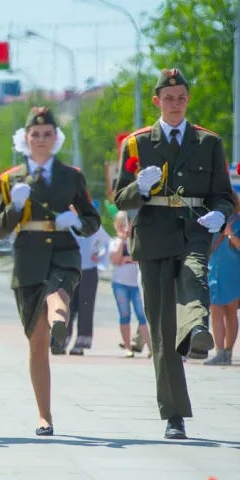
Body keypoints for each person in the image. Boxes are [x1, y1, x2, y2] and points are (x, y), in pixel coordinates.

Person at [113, 68, 236, 439]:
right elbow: (120, 197)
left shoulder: (208, 142)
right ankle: (174, 415)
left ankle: (198, 330)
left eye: (182, 97)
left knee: (195, 274)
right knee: (163, 331)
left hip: (193, 232)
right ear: (157, 102)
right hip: (151, 238)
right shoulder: (136, 144)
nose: (176, 104)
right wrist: (140, 187)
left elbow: (222, 194)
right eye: (169, 98)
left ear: (188, 100)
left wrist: (222, 213)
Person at [0, 107, 101, 436]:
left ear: (56, 138)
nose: (41, 139)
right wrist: (13, 207)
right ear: (26, 139)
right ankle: (45, 416)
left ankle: (60, 319)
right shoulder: (11, 178)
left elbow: (92, 219)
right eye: (35, 134)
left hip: (63, 253)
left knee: (59, 291)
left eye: (47, 133)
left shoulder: (72, 176)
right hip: (28, 258)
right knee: (37, 344)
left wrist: (77, 222)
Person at [57, 225, 110, 355]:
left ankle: (81, 343)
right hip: (68, 270)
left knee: (85, 307)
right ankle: (61, 341)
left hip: (88, 271)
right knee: (65, 306)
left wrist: (101, 257)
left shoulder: (92, 224)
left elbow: (107, 242)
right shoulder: (66, 223)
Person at [109, 211, 152, 358]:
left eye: (125, 226)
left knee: (142, 315)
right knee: (124, 314)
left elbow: (140, 258)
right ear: (115, 226)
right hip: (120, 283)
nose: (123, 229)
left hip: (137, 284)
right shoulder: (114, 241)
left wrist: (126, 259)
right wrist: (122, 242)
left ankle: (151, 348)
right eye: (119, 226)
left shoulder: (136, 240)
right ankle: (128, 347)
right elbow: (115, 259)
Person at [204, 192, 240, 365]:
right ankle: (219, 352)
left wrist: (231, 234)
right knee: (216, 312)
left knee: (231, 313)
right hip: (214, 272)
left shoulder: (238, 220)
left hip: (233, 272)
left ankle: (228, 351)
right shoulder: (212, 220)